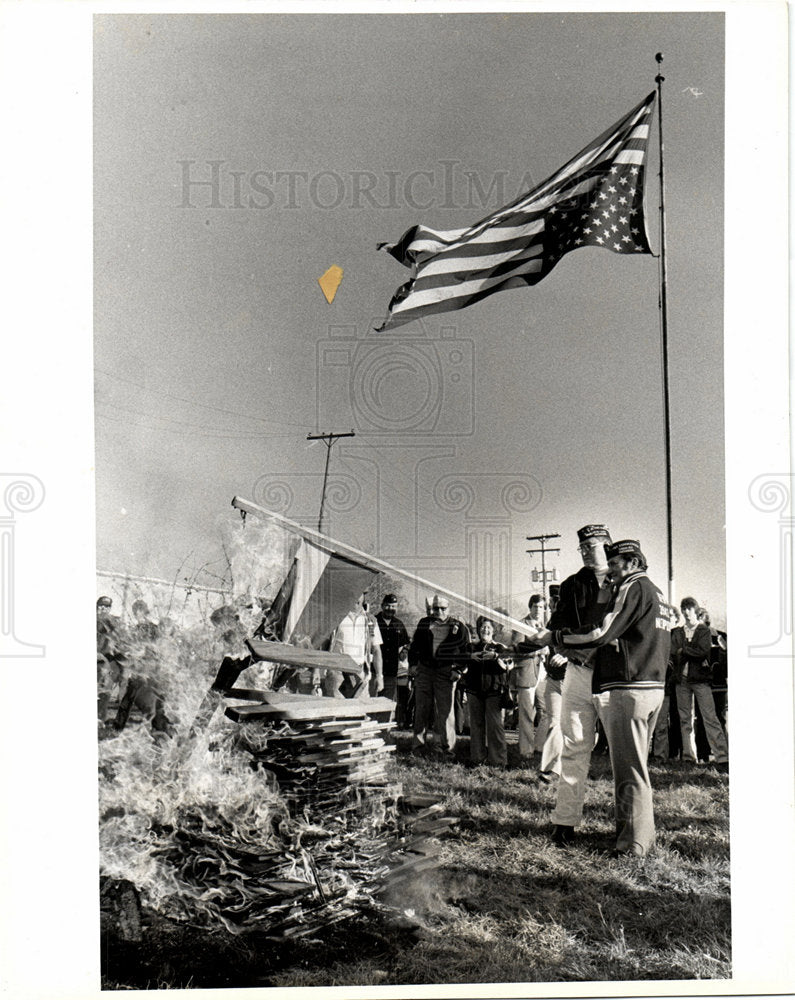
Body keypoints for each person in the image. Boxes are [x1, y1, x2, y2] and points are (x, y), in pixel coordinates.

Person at [538, 539, 671, 857]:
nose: (607, 565)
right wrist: (567, 648)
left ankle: (633, 844)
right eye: (584, 547)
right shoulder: (577, 584)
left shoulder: (631, 586)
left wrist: (560, 639)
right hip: (627, 681)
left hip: (626, 684)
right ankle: (578, 825)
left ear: (630, 561)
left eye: (613, 560)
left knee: (629, 767)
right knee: (609, 759)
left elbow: (603, 633)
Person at [545, 524, 615, 845]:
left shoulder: (624, 582)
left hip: (615, 677)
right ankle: (565, 822)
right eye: (582, 547)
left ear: (608, 545)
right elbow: (556, 630)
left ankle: (627, 827)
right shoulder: (573, 583)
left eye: (592, 545)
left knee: (623, 753)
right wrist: (571, 654)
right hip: (577, 673)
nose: (587, 551)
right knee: (574, 746)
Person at [409, 594, 471, 757]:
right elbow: (415, 646)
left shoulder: (458, 626)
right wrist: (413, 665)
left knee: (445, 712)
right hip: (425, 670)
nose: (439, 611)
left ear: (449, 608)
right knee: (421, 709)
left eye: (443, 608)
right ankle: (418, 747)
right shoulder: (424, 623)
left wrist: (458, 670)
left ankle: (446, 749)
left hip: (445, 672)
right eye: (436, 608)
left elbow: (465, 651)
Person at [671, 597, 729, 771]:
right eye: (684, 609)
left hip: (701, 680)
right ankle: (689, 757)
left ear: (695, 610)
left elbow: (703, 651)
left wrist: (685, 650)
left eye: (689, 608)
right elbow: (674, 651)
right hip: (681, 680)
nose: (686, 612)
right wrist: (689, 650)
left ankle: (722, 757)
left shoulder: (703, 630)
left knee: (710, 718)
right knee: (685, 719)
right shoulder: (678, 631)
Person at [462, 617, 512, 767]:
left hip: (494, 691)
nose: (485, 630)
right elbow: (460, 661)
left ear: (494, 630)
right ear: (478, 629)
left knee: (495, 725)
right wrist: (470, 657)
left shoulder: (500, 648)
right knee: (476, 725)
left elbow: (509, 665)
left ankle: (498, 760)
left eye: (489, 627)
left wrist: (496, 657)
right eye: (483, 627)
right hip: (474, 690)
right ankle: (477, 758)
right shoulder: (471, 647)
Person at [509, 595, 547, 763]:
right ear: (530, 607)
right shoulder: (521, 625)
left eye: (541, 607)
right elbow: (517, 649)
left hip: (543, 673)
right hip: (526, 672)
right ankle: (526, 750)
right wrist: (538, 651)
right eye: (536, 607)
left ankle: (539, 745)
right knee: (526, 713)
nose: (538, 610)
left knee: (547, 711)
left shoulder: (545, 626)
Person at [330, 592, 383, 699]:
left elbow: (376, 650)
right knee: (337, 712)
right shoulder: (336, 616)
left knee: (359, 712)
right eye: (354, 592)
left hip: (360, 673)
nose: (356, 597)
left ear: (363, 598)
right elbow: (323, 644)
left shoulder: (370, 621)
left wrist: (379, 676)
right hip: (338, 673)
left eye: (360, 593)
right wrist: (316, 671)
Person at [375, 593, 410, 700]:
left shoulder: (399, 624)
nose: (390, 608)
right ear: (382, 606)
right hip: (374, 671)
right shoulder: (373, 621)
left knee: (387, 702)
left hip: (391, 672)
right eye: (387, 605)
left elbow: (405, 644)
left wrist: (404, 651)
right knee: (371, 702)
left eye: (393, 606)